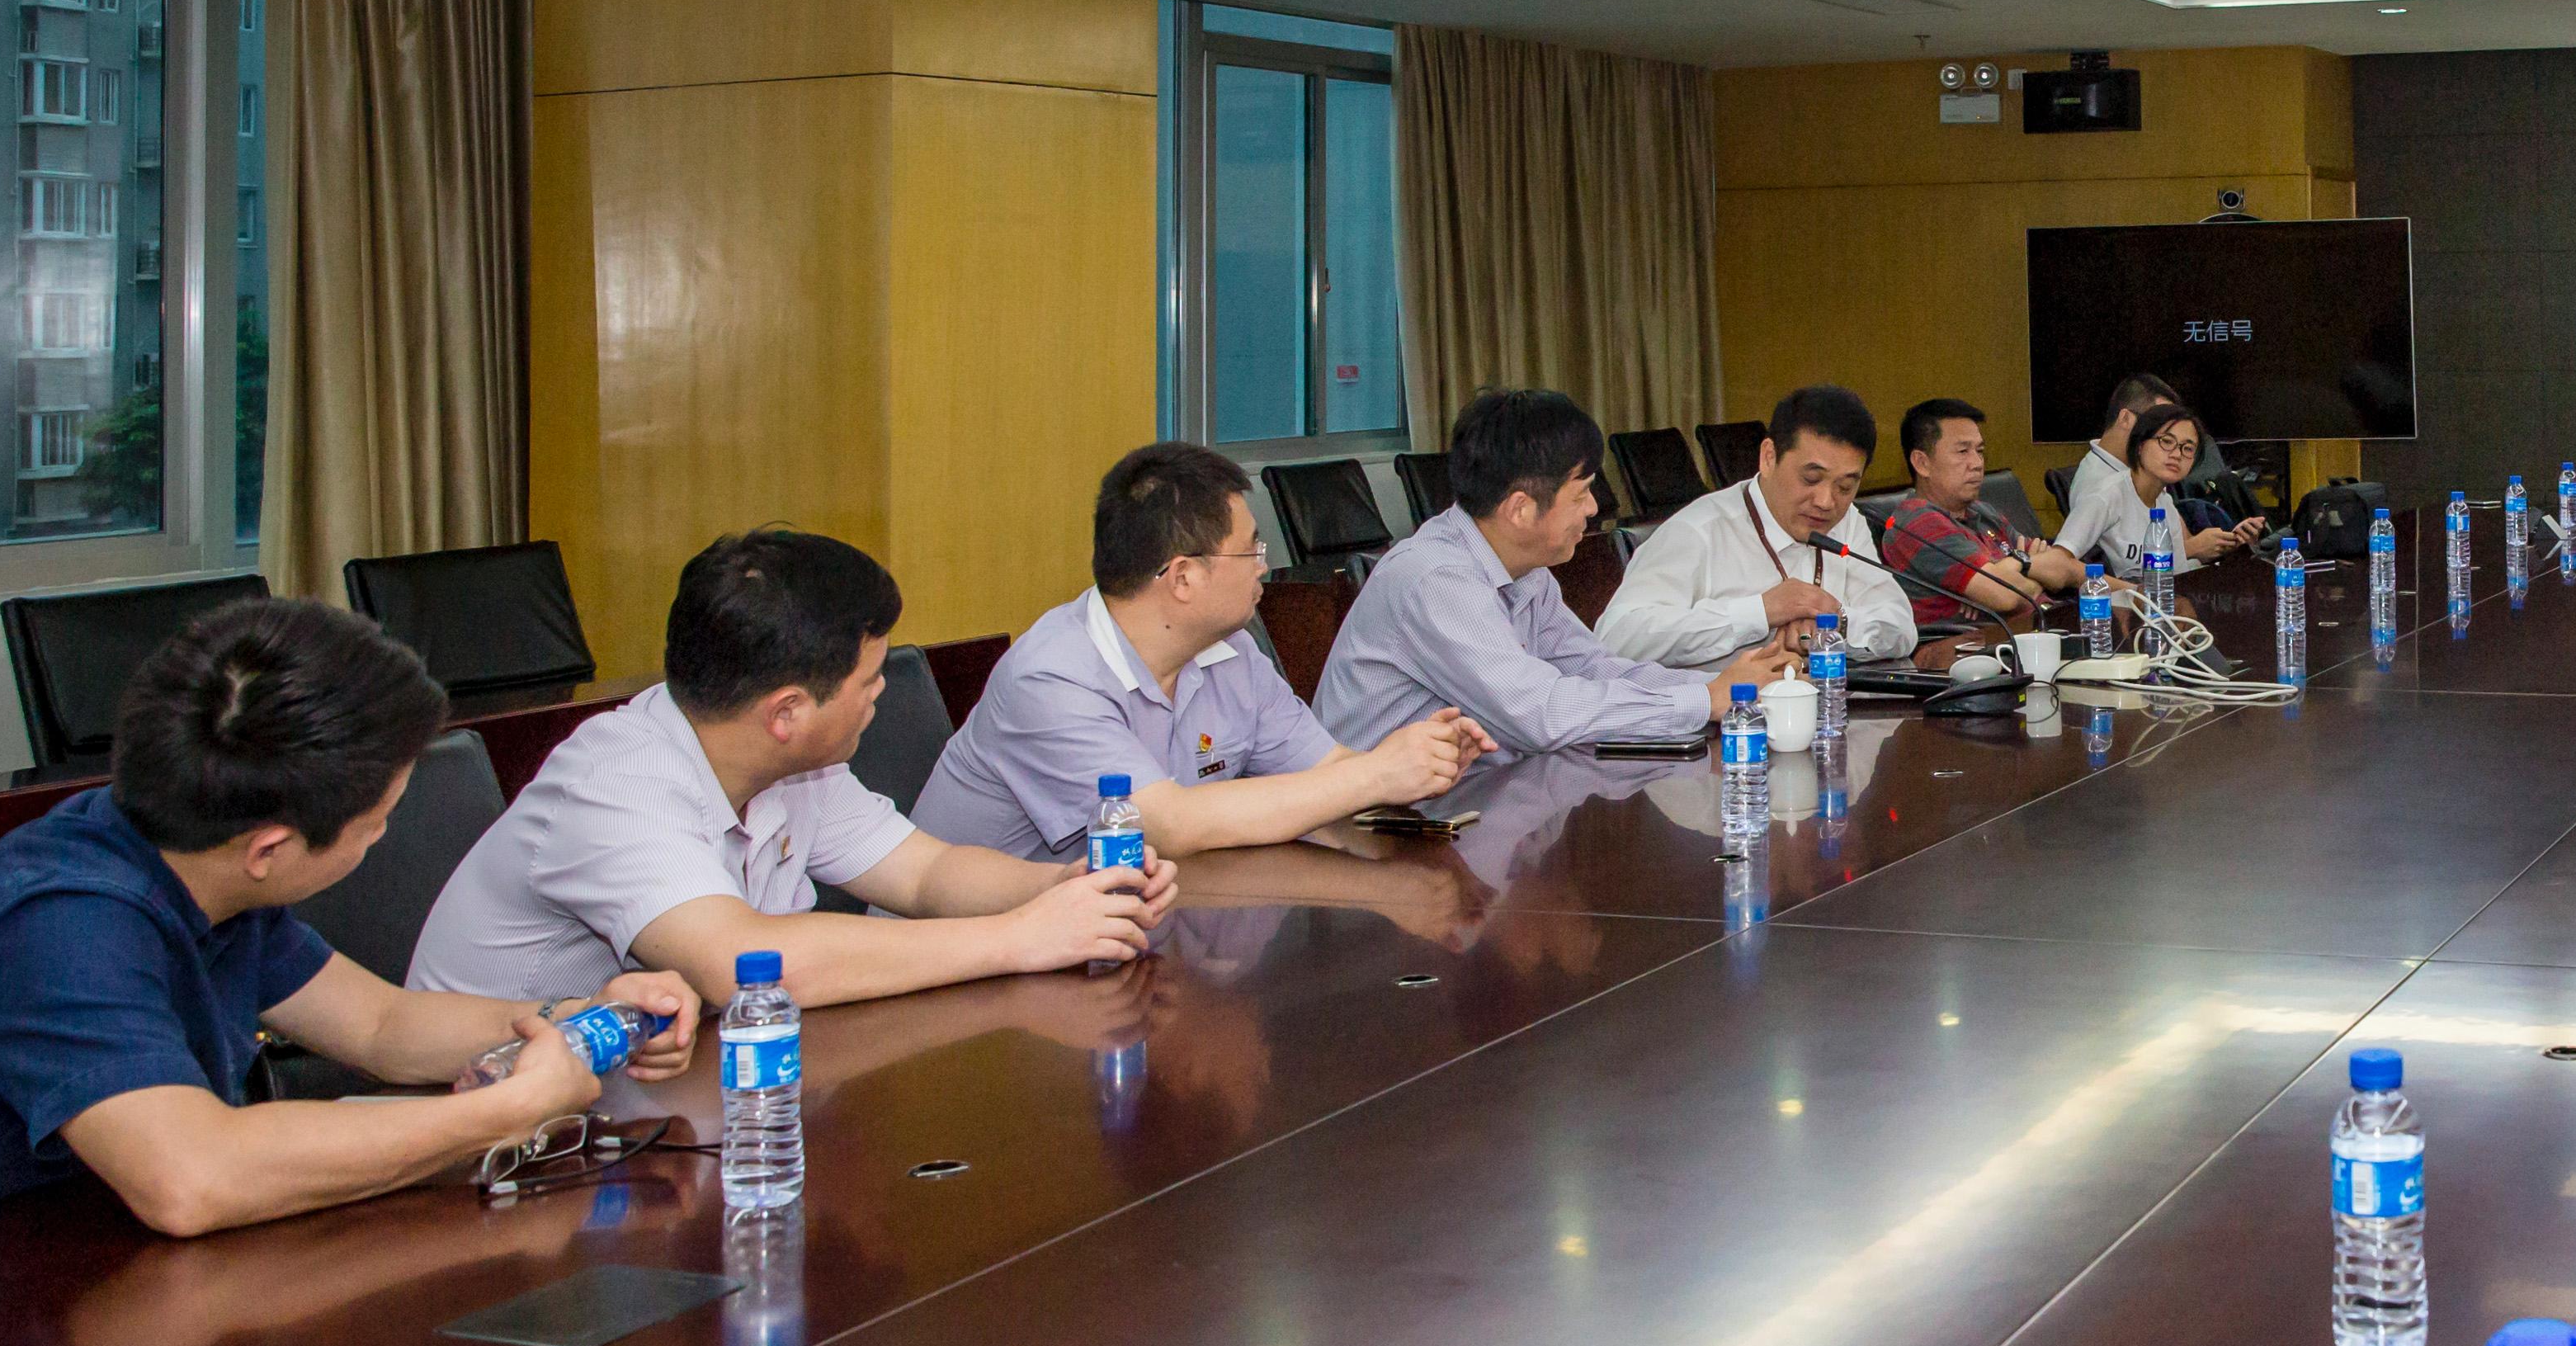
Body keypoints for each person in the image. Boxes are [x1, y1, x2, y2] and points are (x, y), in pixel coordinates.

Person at [0, 598, 698, 1232]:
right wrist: (503, 1113)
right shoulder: (57, 925)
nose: (384, 835)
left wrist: (580, 1015)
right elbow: (190, 1179)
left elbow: (380, 1026)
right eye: (377, 821)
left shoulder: (196, 854)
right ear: (270, 848)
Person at [412, 528, 1172, 1009]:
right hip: (491, 1125)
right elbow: (745, 964)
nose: (881, 694)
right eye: (867, 680)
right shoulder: (616, 788)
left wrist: (1065, 887)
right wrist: (1018, 938)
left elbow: (924, 874)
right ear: (787, 713)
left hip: (656, 1093)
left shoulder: (791, 766)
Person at [915, 442, 1487, 860]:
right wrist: (1377, 776)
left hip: (1132, 926)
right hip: (960, 958)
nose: (1264, 566)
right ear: (1183, 577)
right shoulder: (1051, 679)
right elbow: (1167, 825)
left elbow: (1325, 770)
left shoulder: (1231, 652)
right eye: (1251, 550)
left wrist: (1418, 765)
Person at [1317, 386, 1788, 752]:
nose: (1593, 508)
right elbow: (1540, 713)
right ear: (1520, 509)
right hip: (1378, 822)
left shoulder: (1524, 568)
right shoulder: (1435, 580)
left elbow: (1592, 668)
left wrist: (1725, 686)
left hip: (1463, 800)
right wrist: (1704, 701)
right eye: (1581, 493)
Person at [1593, 382, 1917, 668]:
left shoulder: (1846, 522)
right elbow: (1617, 637)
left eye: (1845, 487)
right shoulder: (1698, 530)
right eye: (1811, 478)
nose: (1826, 501)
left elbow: (1901, 627)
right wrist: (1759, 612)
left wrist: (1836, 623)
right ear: (1769, 456)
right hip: (1727, 713)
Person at [1878, 398, 2088, 640]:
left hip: (2047, 628)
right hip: (1983, 649)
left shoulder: (1982, 512)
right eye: (1963, 451)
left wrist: (2016, 566)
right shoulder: (1918, 523)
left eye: (1979, 451)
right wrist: (2028, 567)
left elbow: (2063, 568)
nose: (1977, 464)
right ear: (1922, 463)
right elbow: (2006, 597)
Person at [2067, 394, 2270, 578]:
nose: (2177, 454)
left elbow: (2177, 577)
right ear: (2140, 445)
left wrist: (2234, 548)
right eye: (2166, 441)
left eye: (2187, 448)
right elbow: (2058, 564)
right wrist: (2132, 590)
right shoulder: (2105, 495)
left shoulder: (2164, 504)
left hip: (2158, 600)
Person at [2053, 373, 2167, 567]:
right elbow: (2130, 561)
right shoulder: (2099, 486)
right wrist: (2194, 547)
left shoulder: (2143, 471)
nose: (2163, 441)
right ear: (2126, 418)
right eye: (2156, 427)